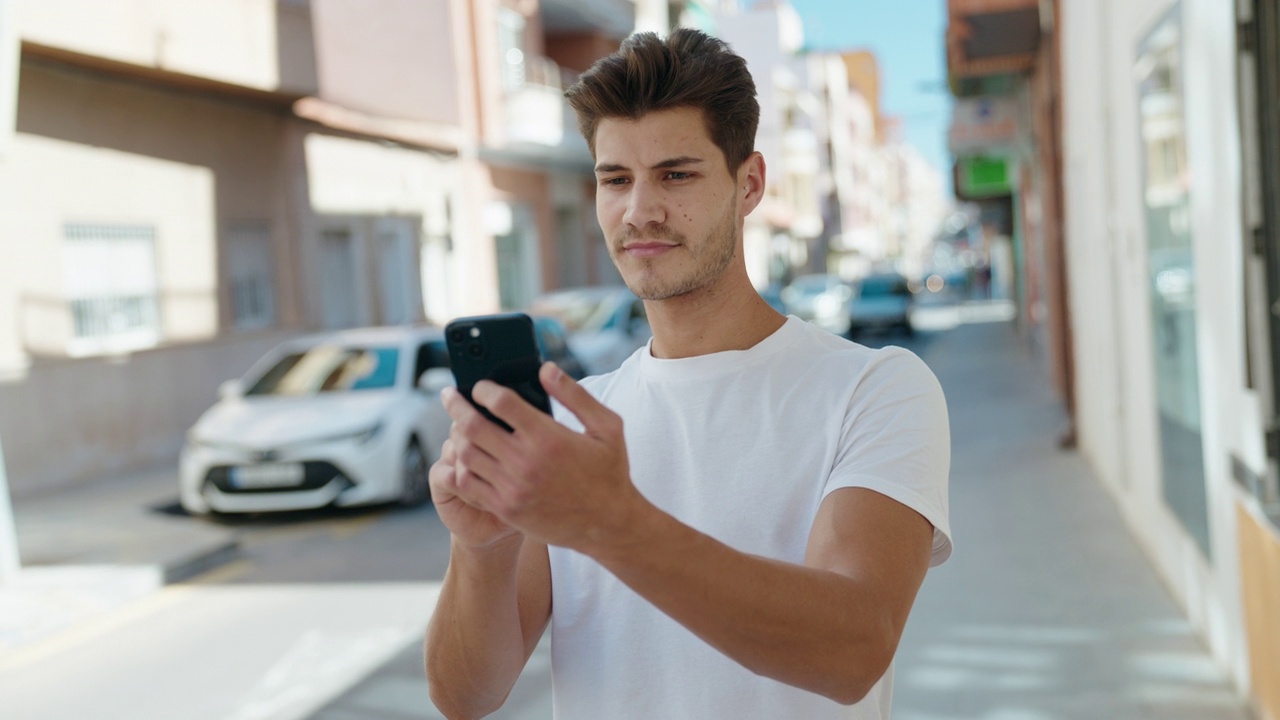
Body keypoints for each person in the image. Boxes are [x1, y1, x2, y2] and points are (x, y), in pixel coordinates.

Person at [424, 28, 951, 720]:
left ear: (750, 182)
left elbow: (853, 650)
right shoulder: (574, 424)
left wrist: (612, 521)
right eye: (615, 179)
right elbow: (466, 698)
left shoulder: (874, 387)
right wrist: (481, 547)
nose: (639, 210)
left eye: (676, 174)